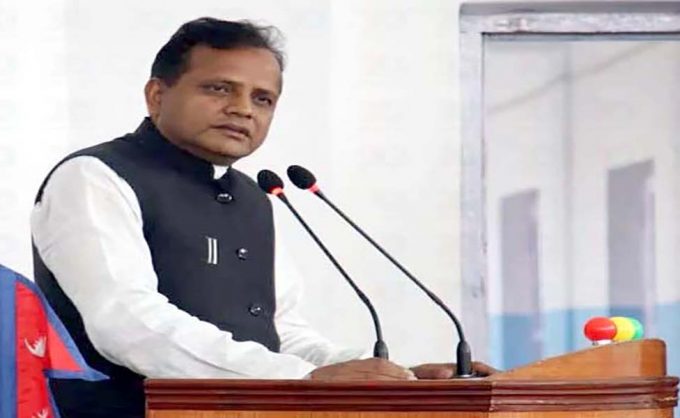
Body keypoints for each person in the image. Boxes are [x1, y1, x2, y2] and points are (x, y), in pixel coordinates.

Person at [31, 17, 494, 418]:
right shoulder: (96, 177)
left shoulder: (256, 198)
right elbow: (128, 324)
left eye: (263, 99)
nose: (242, 109)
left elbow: (284, 335)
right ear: (157, 95)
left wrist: (397, 378)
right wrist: (302, 379)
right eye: (219, 88)